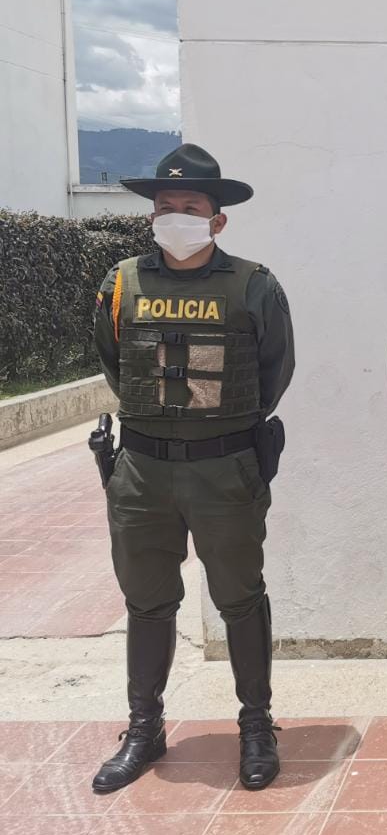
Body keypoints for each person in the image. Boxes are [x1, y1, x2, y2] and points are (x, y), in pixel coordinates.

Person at [91, 144, 295, 792]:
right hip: (142, 469)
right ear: (151, 214)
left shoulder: (255, 285)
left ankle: (256, 728)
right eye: (165, 206)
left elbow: (274, 373)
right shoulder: (121, 282)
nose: (175, 215)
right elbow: (115, 363)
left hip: (224, 466)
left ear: (217, 219)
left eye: (190, 206)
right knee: (147, 600)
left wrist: (218, 426)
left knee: (239, 597)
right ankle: (144, 728)